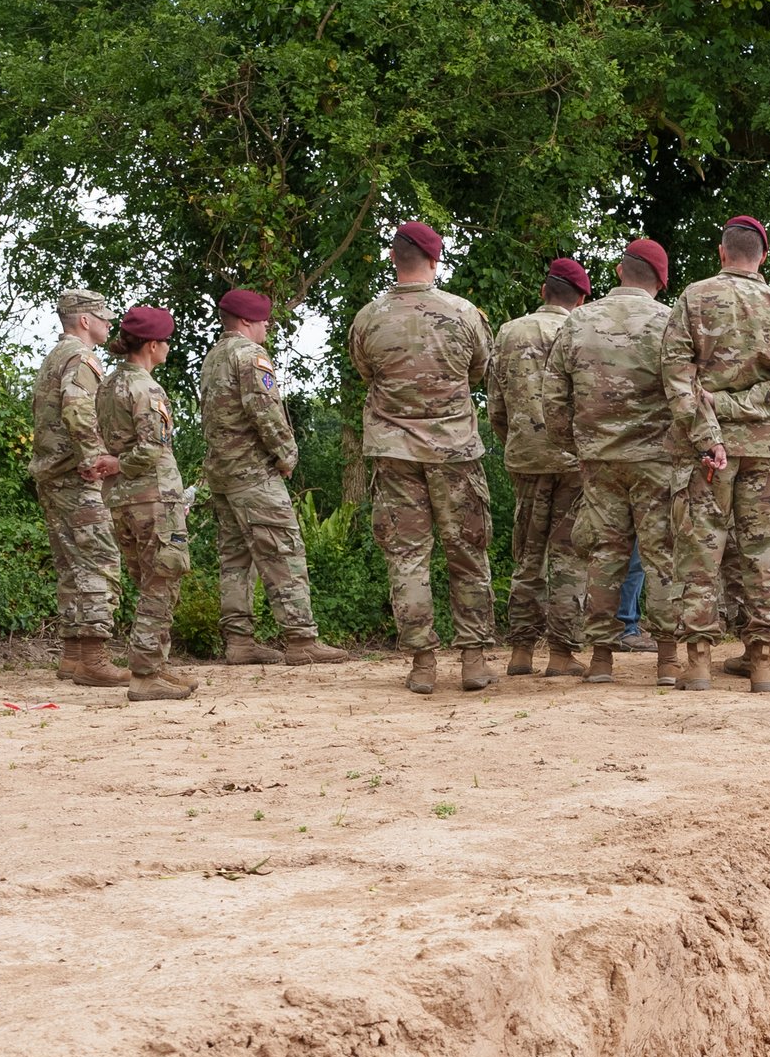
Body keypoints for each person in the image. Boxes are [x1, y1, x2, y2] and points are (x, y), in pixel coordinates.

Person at [347, 221, 497, 694]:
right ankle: (473, 659)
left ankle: (423, 663)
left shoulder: (369, 318)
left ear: (394, 259)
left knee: (407, 556)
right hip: (454, 450)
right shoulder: (465, 313)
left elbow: (364, 371)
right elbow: (480, 370)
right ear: (435, 260)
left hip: (393, 453)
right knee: (468, 552)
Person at [661, 216, 770, 692]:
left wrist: (710, 427)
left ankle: (699, 662)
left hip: (706, 452)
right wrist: (747, 408)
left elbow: (676, 377)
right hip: (765, 450)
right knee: (764, 553)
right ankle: (763, 663)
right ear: (761, 257)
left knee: (700, 550)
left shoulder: (694, 298)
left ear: (722, 253)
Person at [542, 239, 691, 685]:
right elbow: (686, 394)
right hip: (657, 460)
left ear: (620, 270)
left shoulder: (578, 322)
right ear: (661, 281)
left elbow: (552, 398)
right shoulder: (670, 323)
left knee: (605, 555)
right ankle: (667, 660)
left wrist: (579, 445)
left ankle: (602, 659)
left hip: (599, 460)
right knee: (662, 554)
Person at [198, 290, 346, 667]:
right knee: (283, 551)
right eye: (264, 321)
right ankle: (301, 639)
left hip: (222, 472)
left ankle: (239, 640)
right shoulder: (250, 356)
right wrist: (286, 454)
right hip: (253, 473)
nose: (267, 327)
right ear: (246, 321)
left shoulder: (214, 357)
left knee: (234, 558)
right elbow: (264, 411)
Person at [486, 258, 592, 678]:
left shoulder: (510, 332)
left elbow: (496, 404)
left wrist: (514, 442)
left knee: (527, 555)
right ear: (581, 298)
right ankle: (563, 655)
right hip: (573, 459)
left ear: (543, 292)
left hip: (525, 457)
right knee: (568, 555)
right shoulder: (581, 331)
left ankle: (520, 652)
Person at [95, 306, 197, 701]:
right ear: (153, 346)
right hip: (153, 497)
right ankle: (144, 674)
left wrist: (114, 464)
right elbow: (152, 448)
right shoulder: (146, 388)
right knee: (162, 582)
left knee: (148, 581)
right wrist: (122, 462)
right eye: (166, 342)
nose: (168, 348)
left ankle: (156, 663)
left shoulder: (108, 384)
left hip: (121, 500)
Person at [29, 289, 129, 686]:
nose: (108, 323)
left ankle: (73, 656)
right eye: (102, 317)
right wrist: (95, 459)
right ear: (84, 320)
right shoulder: (82, 357)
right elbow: (76, 408)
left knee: (71, 565)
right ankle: (94, 658)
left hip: (54, 473)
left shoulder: (56, 355)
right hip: (75, 476)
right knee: (98, 562)